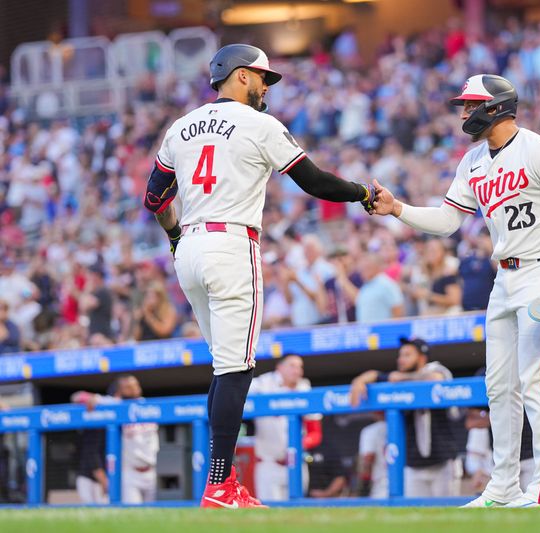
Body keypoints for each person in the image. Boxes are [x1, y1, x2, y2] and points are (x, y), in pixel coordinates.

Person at [142, 43, 375, 509]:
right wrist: (363, 192)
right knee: (237, 367)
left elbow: (154, 199)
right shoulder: (260, 124)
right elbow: (315, 183)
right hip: (230, 243)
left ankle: (219, 483)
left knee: (222, 366)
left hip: (189, 244)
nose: (267, 86)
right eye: (263, 78)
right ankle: (221, 485)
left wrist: (173, 240)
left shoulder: (181, 126)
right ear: (241, 76)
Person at [369, 74, 540, 507]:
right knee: (498, 387)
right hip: (504, 276)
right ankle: (503, 486)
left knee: (536, 381)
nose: (462, 112)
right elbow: (447, 220)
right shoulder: (472, 160)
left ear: (495, 106)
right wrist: (398, 208)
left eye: (469, 103)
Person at [349, 337, 459, 498]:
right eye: (400, 355)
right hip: (413, 464)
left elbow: (434, 378)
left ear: (421, 357)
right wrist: (358, 381)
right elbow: (373, 374)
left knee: (449, 514)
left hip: (443, 461)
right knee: (416, 514)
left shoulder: (435, 369)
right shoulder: (399, 378)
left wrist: (402, 378)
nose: (401, 360)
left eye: (407, 355)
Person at [73, 375, 160, 504]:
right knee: (134, 513)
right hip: (130, 471)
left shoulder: (147, 405)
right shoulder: (116, 404)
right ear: (119, 392)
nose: (134, 389)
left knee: (151, 513)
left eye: (135, 385)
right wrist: (90, 399)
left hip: (151, 469)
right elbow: (77, 396)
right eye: (128, 387)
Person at [248, 354, 322, 501]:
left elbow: (315, 432)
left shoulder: (304, 387)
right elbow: (237, 392)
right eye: (292, 366)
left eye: (300, 367)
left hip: (296, 464)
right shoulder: (263, 383)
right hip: (268, 463)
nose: (297, 371)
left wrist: (299, 444)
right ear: (279, 367)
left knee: (297, 512)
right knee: (269, 513)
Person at [355, 412, 387, 498]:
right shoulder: (403, 426)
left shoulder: (370, 430)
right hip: (406, 479)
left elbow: (368, 458)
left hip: (381, 483)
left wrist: (363, 483)